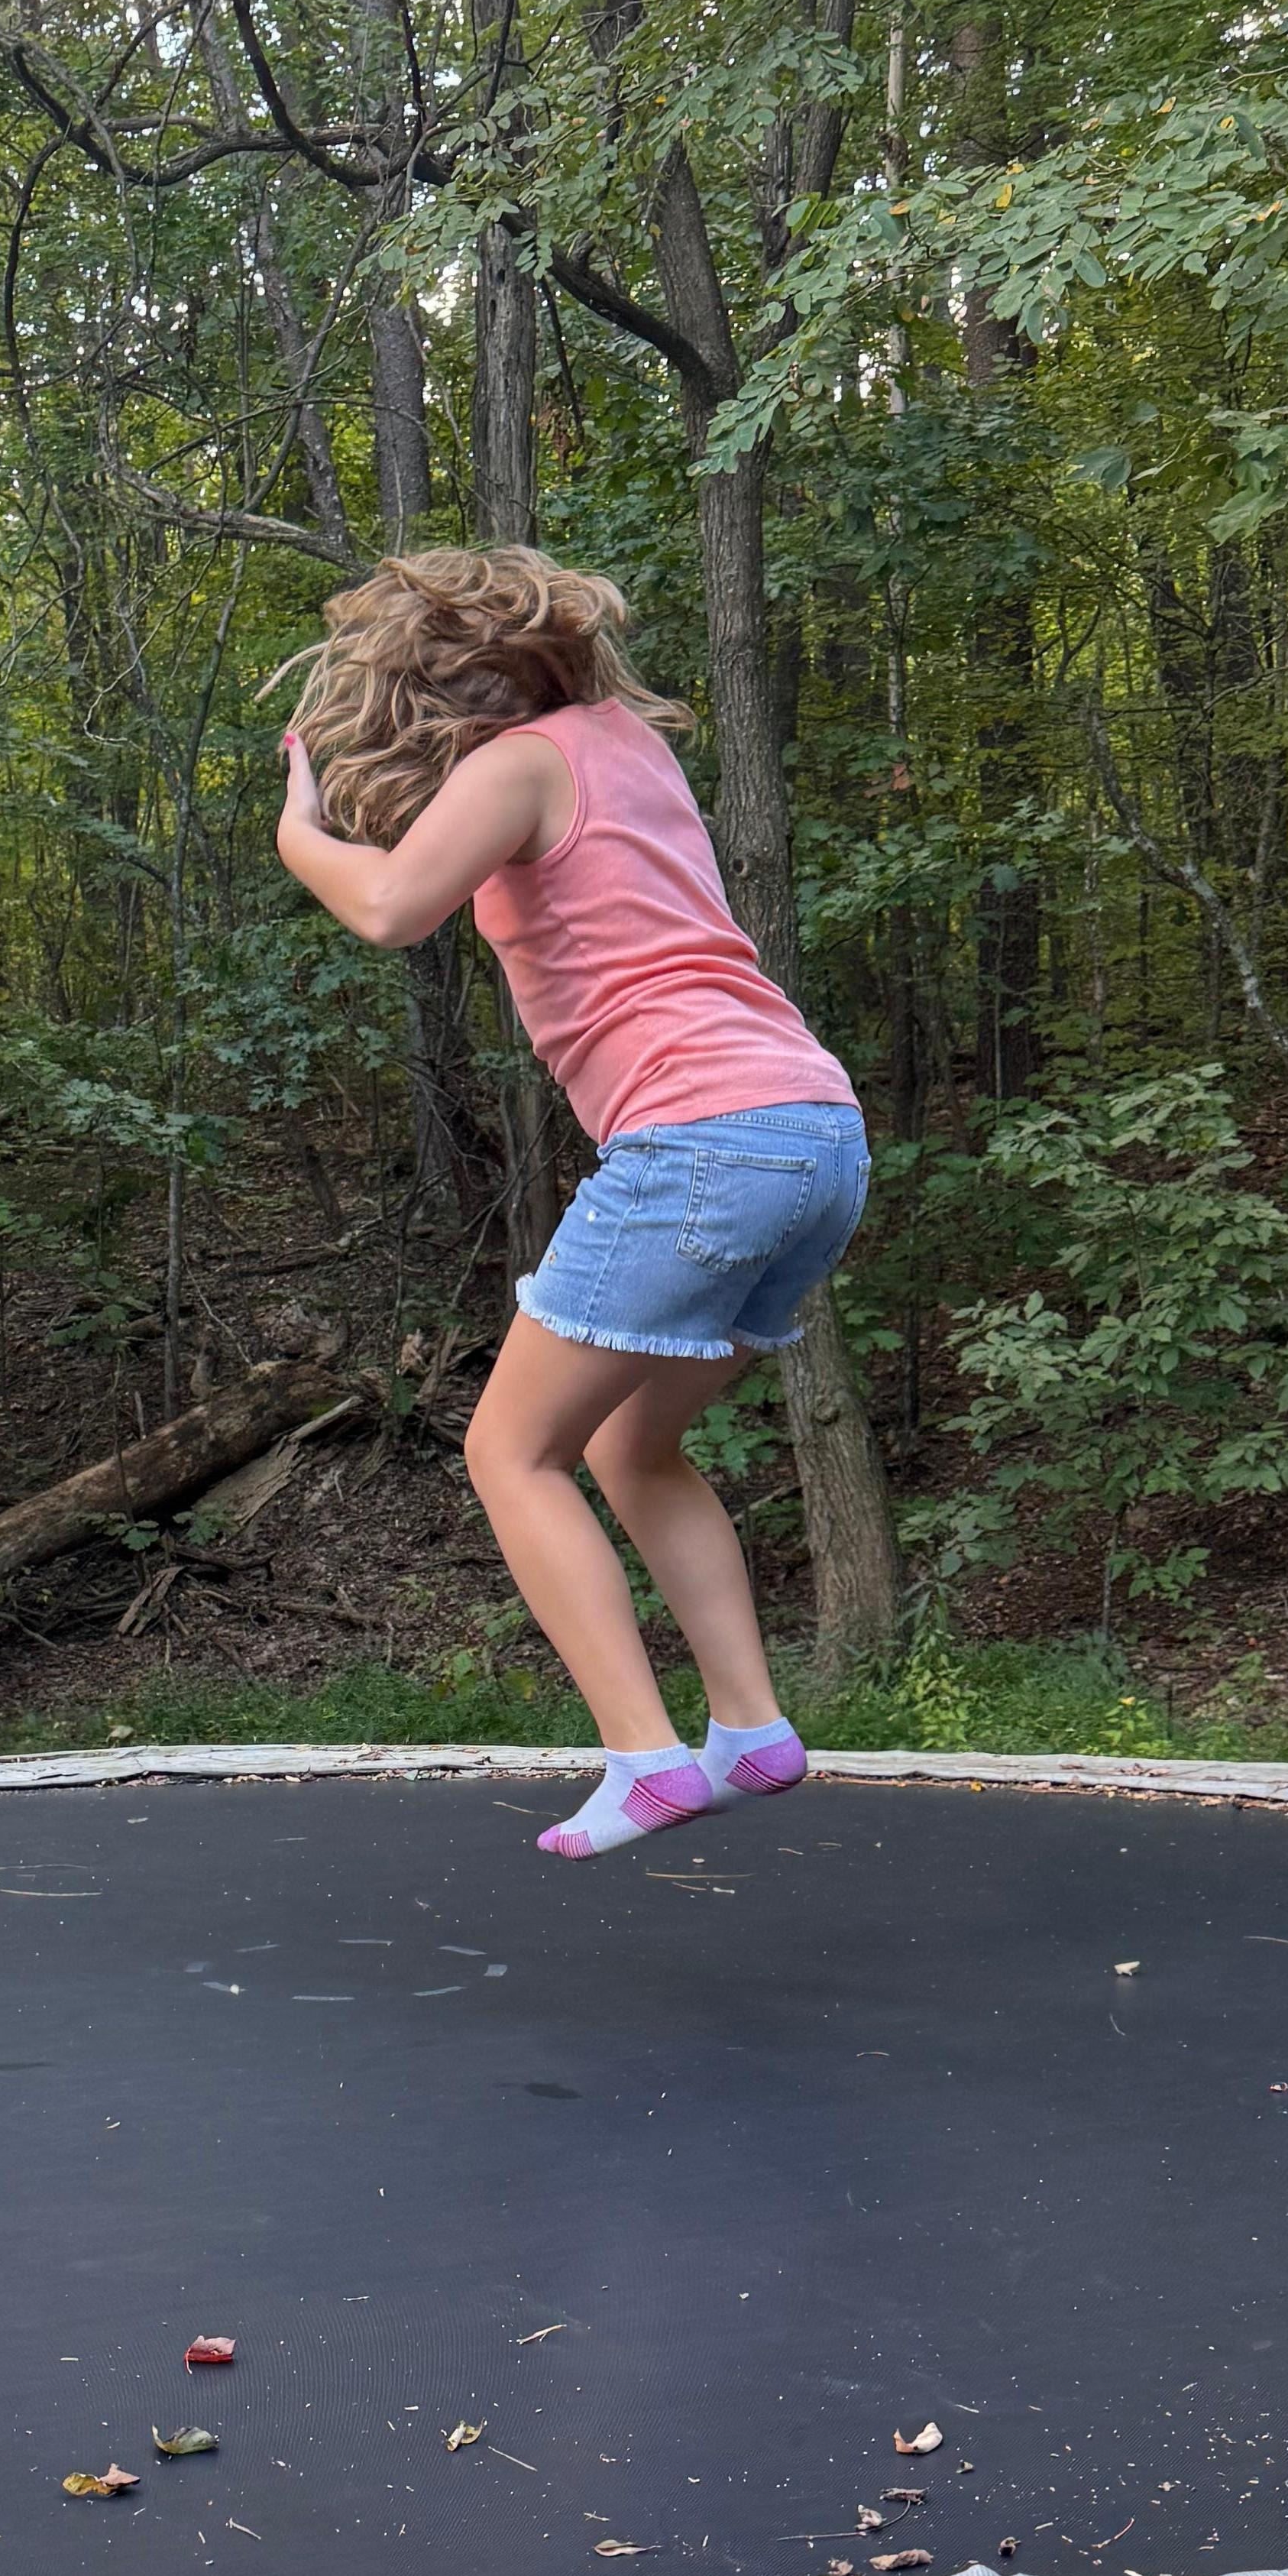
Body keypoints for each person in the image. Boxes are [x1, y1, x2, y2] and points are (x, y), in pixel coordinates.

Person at [277, 546, 868, 1860]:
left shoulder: (520, 764)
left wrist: (298, 832)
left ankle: (646, 1760)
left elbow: (388, 908)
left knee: (512, 1451)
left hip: (701, 1140)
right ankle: (751, 1730)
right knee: (629, 1447)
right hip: (816, 1134)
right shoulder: (623, 746)